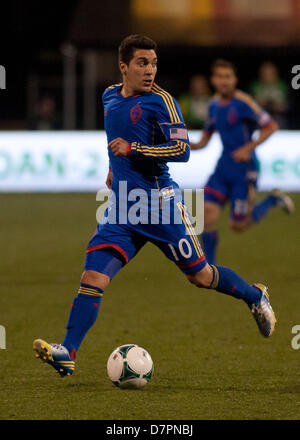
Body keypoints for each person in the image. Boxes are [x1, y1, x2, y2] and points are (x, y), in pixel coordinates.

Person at [33, 36, 276, 378]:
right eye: (142, 63)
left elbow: (182, 151)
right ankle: (67, 352)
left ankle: (254, 295)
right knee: (92, 277)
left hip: (161, 206)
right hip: (123, 210)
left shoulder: (162, 101)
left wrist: (133, 149)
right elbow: (113, 139)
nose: (150, 71)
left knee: (202, 276)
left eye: (154, 63)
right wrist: (111, 169)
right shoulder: (109, 96)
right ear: (123, 67)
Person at [190, 59, 294, 266]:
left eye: (228, 77)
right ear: (213, 80)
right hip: (223, 167)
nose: (224, 81)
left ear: (235, 79)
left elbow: (271, 126)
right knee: (206, 214)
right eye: (220, 77)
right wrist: (188, 145)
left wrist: (248, 148)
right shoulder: (213, 105)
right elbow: (204, 140)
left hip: (244, 170)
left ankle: (272, 200)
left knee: (238, 225)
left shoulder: (244, 102)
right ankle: (209, 269)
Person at [250, 61, 289, 128]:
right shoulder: (255, 85)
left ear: (276, 74)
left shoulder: (282, 85)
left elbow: (285, 105)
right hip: (260, 116)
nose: (267, 76)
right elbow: (251, 105)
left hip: (278, 116)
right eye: (265, 74)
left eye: (270, 74)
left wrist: (273, 105)